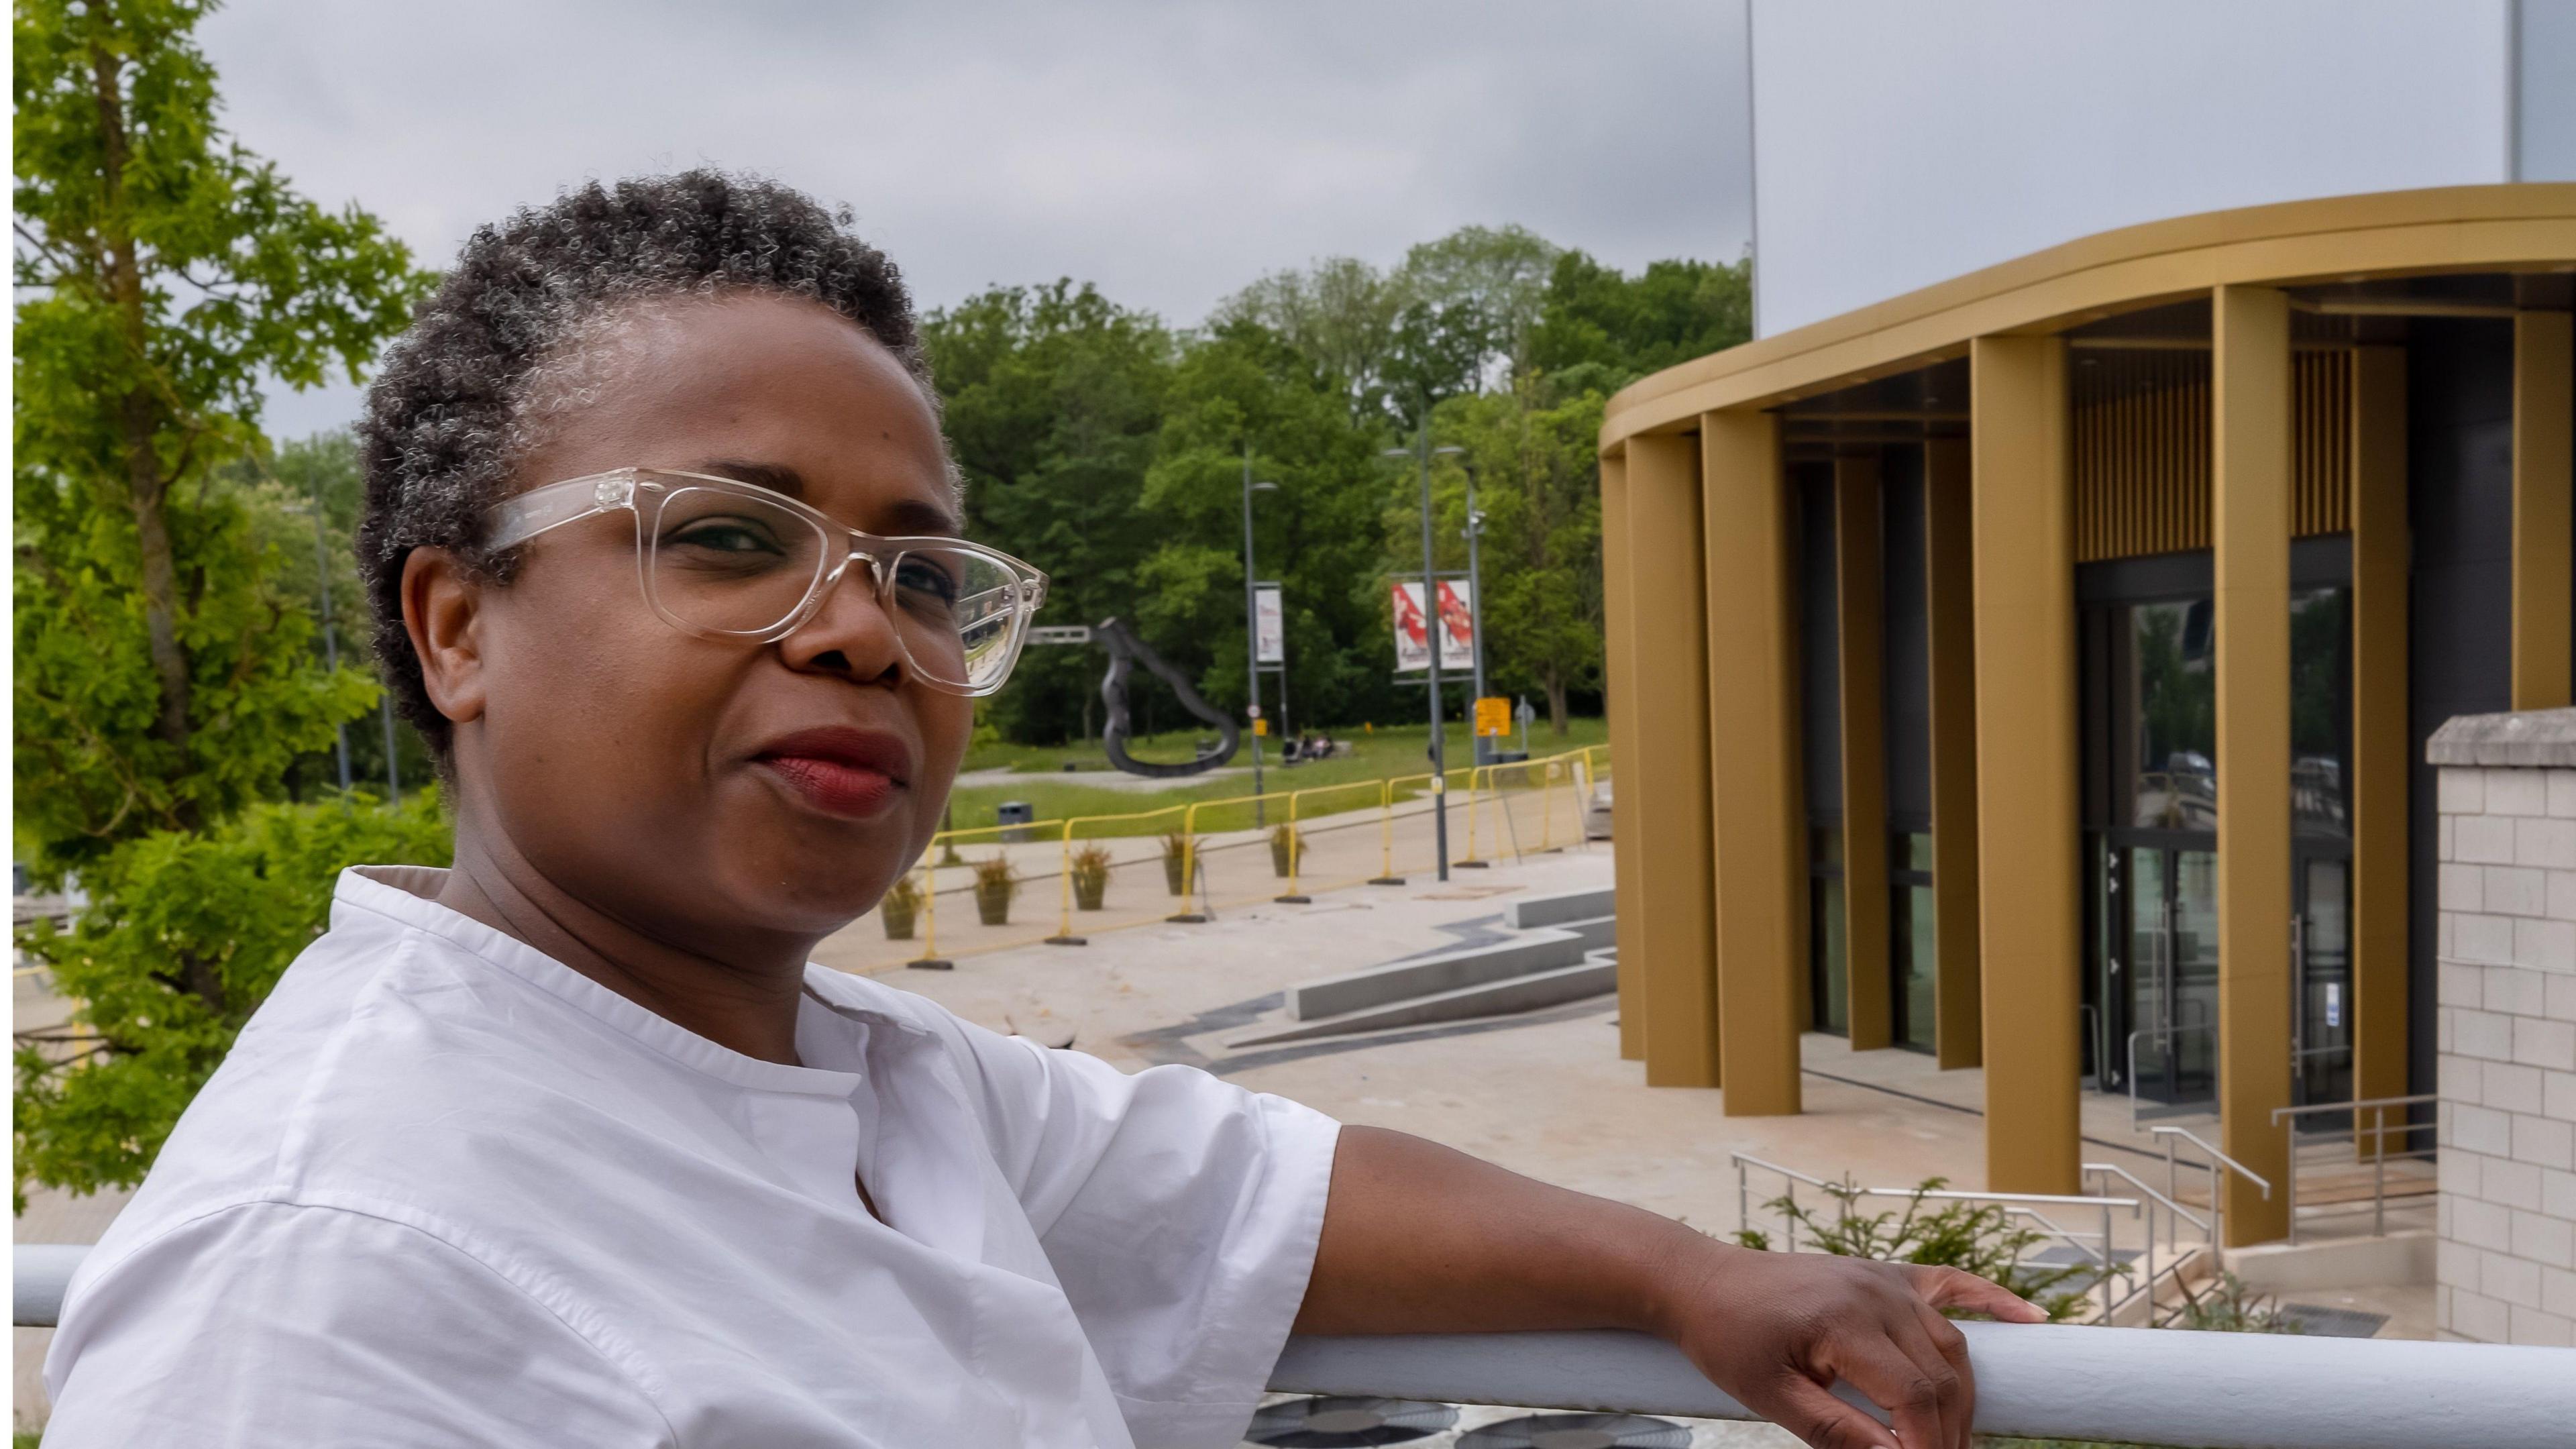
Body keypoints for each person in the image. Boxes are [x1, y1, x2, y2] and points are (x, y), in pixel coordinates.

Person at [40, 173, 2037, 1449]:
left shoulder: (867, 1084)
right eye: (728, 539)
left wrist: (1694, 1278)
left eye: (923, 576)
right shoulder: (328, 1286)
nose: (859, 633)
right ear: (456, 624)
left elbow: (1256, 1196)